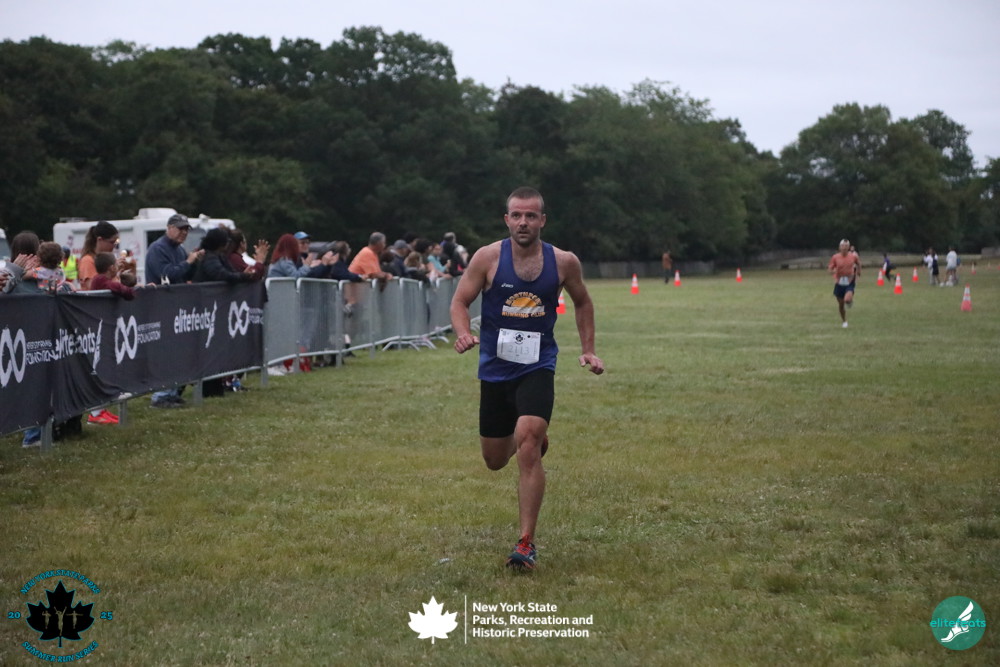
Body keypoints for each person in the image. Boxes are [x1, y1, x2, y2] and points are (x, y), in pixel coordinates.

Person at [450, 186, 605, 570]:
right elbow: (460, 301)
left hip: (538, 366)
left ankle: (525, 543)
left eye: (531, 216)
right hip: (495, 369)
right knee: (494, 460)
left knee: (528, 441)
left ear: (542, 220)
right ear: (507, 220)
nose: (523, 222)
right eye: (517, 215)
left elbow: (583, 301)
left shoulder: (563, 261)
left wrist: (588, 349)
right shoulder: (488, 257)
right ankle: (529, 438)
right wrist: (463, 333)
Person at [145, 214, 202, 285]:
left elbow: (187, 276)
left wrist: (195, 262)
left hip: (178, 291)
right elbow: (167, 275)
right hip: (161, 292)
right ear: (169, 228)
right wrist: (188, 262)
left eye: (186, 229)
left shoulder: (180, 249)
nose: (184, 232)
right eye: (181, 228)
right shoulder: (157, 248)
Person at [194, 228, 262, 284]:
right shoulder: (210, 258)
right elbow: (224, 275)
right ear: (221, 243)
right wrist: (243, 276)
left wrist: (243, 275)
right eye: (227, 241)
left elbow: (232, 272)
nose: (228, 243)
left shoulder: (220, 256)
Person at [77, 221, 122, 291]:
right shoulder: (88, 260)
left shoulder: (109, 259)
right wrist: (112, 274)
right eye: (112, 242)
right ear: (100, 240)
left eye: (116, 243)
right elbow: (94, 288)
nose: (114, 246)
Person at [828, 239, 862, 328]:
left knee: (847, 299)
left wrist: (858, 272)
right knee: (841, 304)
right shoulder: (835, 257)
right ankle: (844, 321)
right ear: (839, 247)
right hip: (839, 282)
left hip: (850, 281)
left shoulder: (853, 256)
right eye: (842, 246)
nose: (844, 248)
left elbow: (858, 263)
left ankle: (849, 300)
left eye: (846, 246)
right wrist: (834, 271)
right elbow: (830, 269)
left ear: (849, 247)